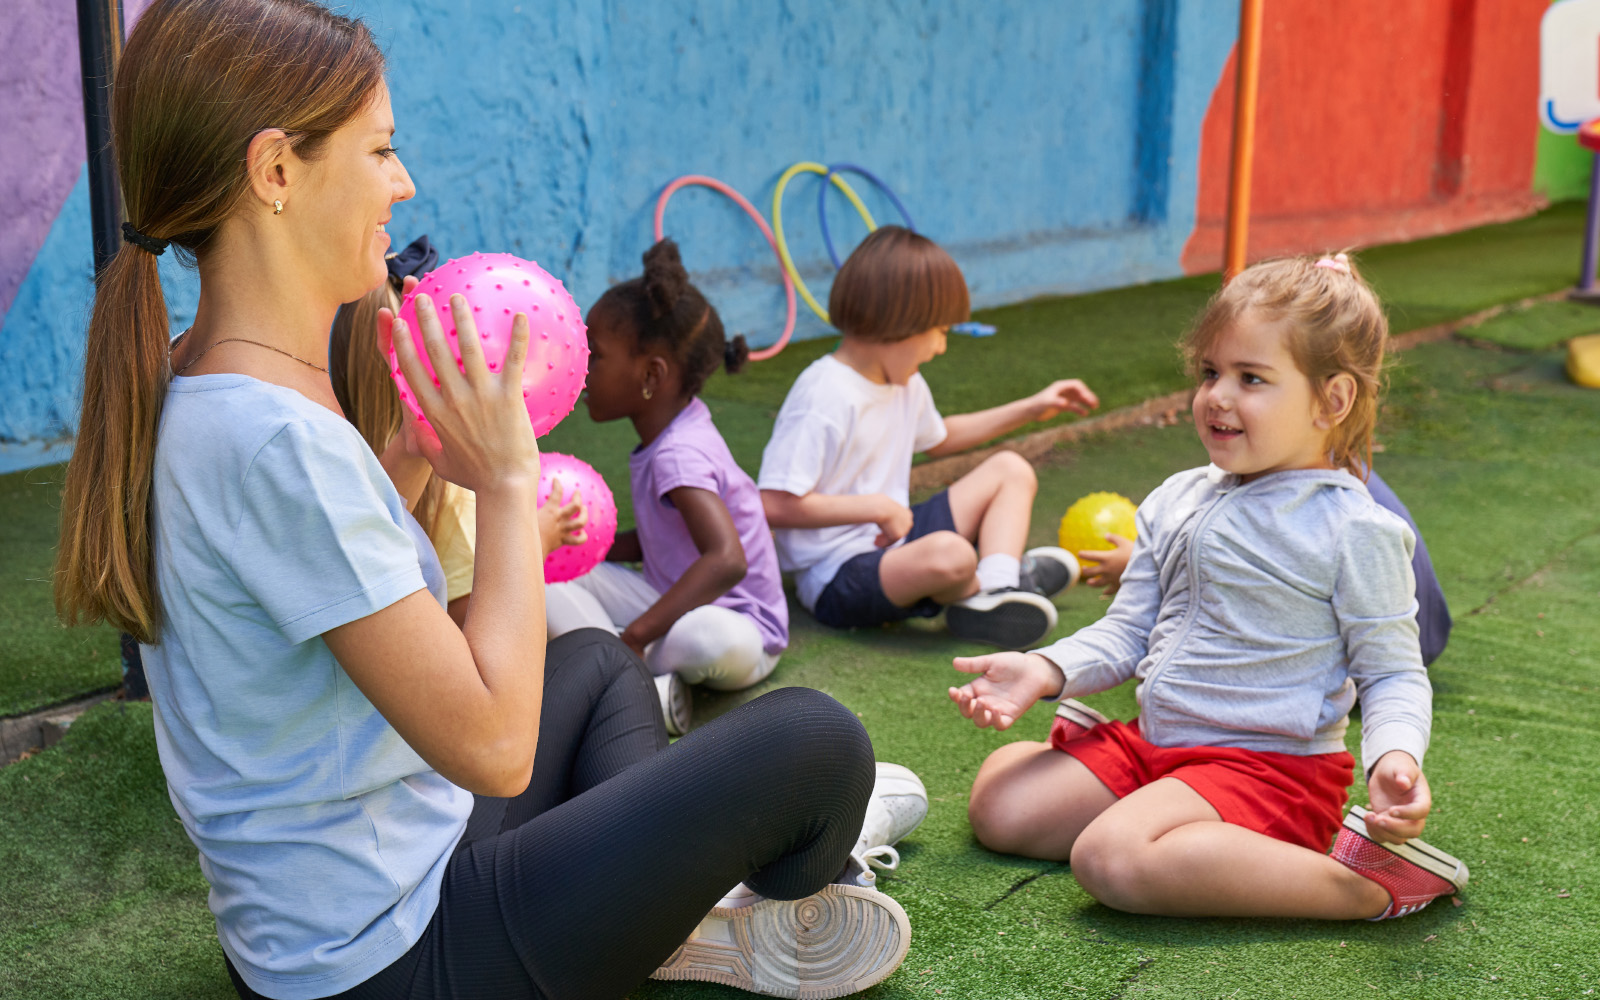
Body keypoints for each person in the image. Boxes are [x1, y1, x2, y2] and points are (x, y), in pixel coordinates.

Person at [51, 2, 913, 997]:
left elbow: (331, 593)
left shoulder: (203, 379)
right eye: (380, 150)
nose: (402, 182)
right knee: (814, 744)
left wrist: (418, 456)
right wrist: (506, 481)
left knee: (593, 662)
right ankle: (734, 892)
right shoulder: (274, 438)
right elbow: (499, 750)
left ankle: (666, 911)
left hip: (370, 886)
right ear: (276, 171)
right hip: (392, 959)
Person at [949, 253, 1469, 922]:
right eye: (1210, 372)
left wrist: (1394, 757)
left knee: (1110, 858)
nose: (1218, 395)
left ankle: (1370, 885)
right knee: (1000, 803)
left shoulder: (1354, 528)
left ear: (1331, 400)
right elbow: (1129, 632)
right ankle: (1167, 818)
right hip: (1159, 743)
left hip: (1269, 771)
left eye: (1252, 378)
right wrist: (1042, 670)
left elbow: (1393, 671)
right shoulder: (1176, 497)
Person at [758, 226, 1097, 650]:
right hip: (835, 575)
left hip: (898, 540)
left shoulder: (905, 383)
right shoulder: (823, 394)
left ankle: (996, 588)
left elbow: (940, 437)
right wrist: (876, 507)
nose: (941, 347)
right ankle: (997, 580)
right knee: (950, 555)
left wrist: (1030, 408)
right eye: (939, 331)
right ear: (901, 324)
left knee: (1011, 469)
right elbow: (772, 503)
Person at [544, 240, 789, 736]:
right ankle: (644, 682)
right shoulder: (673, 430)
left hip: (738, 628)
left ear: (651, 374)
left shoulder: (680, 452)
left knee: (702, 635)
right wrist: (588, 546)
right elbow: (663, 536)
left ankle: (621, 661)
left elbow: (727, 560)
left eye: (597, 354)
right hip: (671, 599)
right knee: (544, 571)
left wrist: (638, 633)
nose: (582, 362)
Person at [329, 235, 587, 628]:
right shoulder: (452, 490)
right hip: (473, 662)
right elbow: (472, 622)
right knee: (600, 651)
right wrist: (539, 537)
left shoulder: (337, 465)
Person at [1078, 469, 1453, 666]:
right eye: (1210, 374)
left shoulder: (1293, 493)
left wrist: (1146, 564)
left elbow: (1245, 578)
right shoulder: (1348, 469)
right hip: (1423, 638)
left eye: (1252, 379)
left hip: (1355, 665)